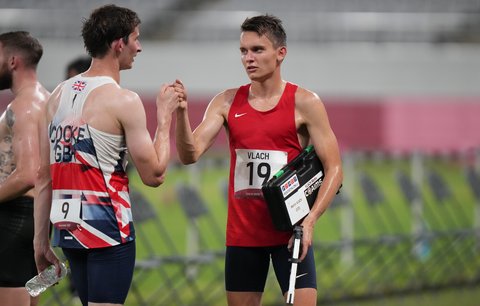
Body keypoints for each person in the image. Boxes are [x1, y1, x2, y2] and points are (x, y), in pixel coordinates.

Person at [175, 14, 343, 306]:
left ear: (281, 54)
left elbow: (335, 168)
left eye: (257, 50)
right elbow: (190, 154)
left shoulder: (305, 103)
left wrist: (311, 221)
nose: (248, 58)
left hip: (290, 235)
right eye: (243, 51)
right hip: (242, 237)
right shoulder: (226, 102)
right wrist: (180, 114)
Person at [33, 5, 181, 306]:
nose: (138, 47)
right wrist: (165, 118)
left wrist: (40, 239)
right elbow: (154, 175)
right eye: (135, 39)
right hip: (107, 228)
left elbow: (42, 175)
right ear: (118, 44)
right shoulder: (123, 100)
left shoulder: (57, 94)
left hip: (67, 230)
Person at [0, 31, 50, 306]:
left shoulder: (25, 105)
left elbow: (28, 173)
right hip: (33, 218)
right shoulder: (46, 99)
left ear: (13, 60)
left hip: (15, 218)